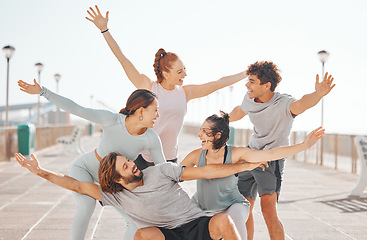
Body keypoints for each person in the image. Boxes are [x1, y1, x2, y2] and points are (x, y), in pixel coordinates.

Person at [86, 5, 248, 165]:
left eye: (184, 69)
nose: (185, 74)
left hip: (170, 159)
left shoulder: (185, 92)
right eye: (179, 72)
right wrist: (104, 30)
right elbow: (123, 59)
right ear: (165, 73)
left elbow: (218, 84)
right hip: (142, 159)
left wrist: (246, 73)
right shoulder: (149, 87)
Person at [18, 79, 166, 240]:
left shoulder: (151, 138)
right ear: (141, 111)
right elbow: (77, 109)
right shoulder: (112, 120)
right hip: (86, 169)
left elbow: (164, 170)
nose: (158, 115)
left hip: (114, 182)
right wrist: (43, 91)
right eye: (155, 110)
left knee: (134, 221)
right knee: (87, 205)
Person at [14, 152, 269, 240]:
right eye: (125, 167)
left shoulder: (162, 171)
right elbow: (77, 186)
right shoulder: (114, 195)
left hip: (196, 226)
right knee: (142, 235)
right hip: (169, 234)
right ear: (116, 180)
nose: (132, 166)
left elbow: (205, 170)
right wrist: (39, 172)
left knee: (224, 221)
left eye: (128, 161)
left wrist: (241, 166)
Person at [229, 61, 335, 240]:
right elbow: (240, 111)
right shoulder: (249, 97)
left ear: (266, 85)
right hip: (251, 155)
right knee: (243, 207)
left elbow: (301, 104)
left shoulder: (283, 104)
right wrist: (223, 118)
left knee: (268, 210)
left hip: (272, 160)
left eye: (252, 81)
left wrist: (318, 94)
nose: (247, 85)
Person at [180, 111, 324, 239]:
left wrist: (303, 145)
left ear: (218, 135)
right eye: (200, 130)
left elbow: (270, 154)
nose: (199, 135)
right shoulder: (196, 155)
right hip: (202, 207)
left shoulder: (235, 153)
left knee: (234, 218)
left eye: (205, 131)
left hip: (233, 205)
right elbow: (174, 174)